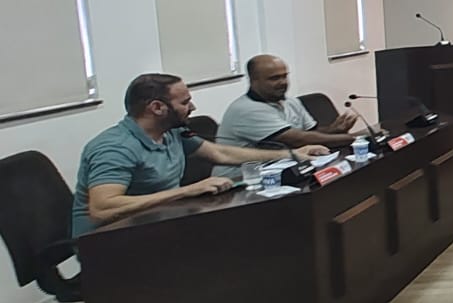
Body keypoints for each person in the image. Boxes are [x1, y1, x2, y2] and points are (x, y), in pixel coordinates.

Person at [72, 73, 329, 236]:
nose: (192, 107)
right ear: (157, 108)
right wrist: (186, 191)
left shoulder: (171, 132)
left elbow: (220, 153)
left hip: (158, 223)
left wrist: (292, 154)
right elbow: (102, 209)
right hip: (111, 241)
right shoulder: (115, 147)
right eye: (185, 102)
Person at [217, 54, 361, 150]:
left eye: (284, 76)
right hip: (241, 179)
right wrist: (354, 138)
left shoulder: (291, 102)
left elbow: (310, 133)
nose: (283, 82)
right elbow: (298, 140)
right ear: (254, 80)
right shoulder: (246, 109)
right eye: (274, 78)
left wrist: (334, 129)